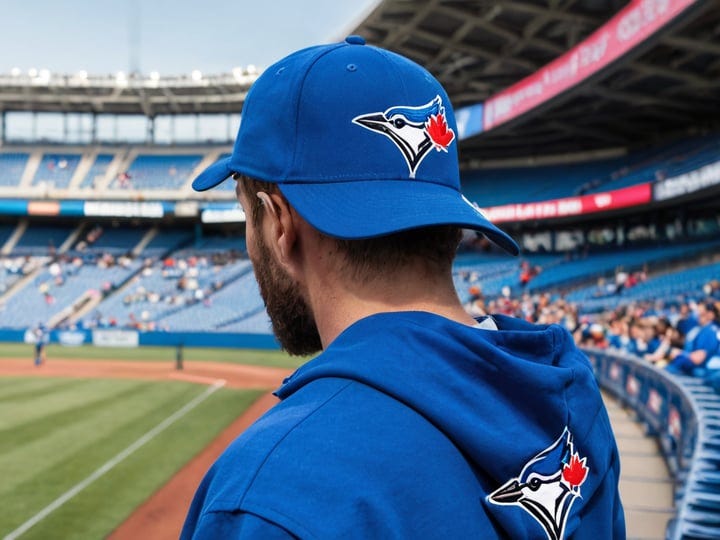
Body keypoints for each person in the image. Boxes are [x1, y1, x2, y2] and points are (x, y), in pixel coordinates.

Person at [182, 36, 624, 539]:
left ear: (279, 223)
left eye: (247, 215)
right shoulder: (572, 402)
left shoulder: (268, 496)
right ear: (446, 219)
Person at [665, 301, 720, 376]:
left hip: (702, 371)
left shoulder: (711, 331)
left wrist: (681, 353)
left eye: (701, 314)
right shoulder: (700, 329)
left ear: (710, 314)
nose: (698, 316)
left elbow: (698, 359)